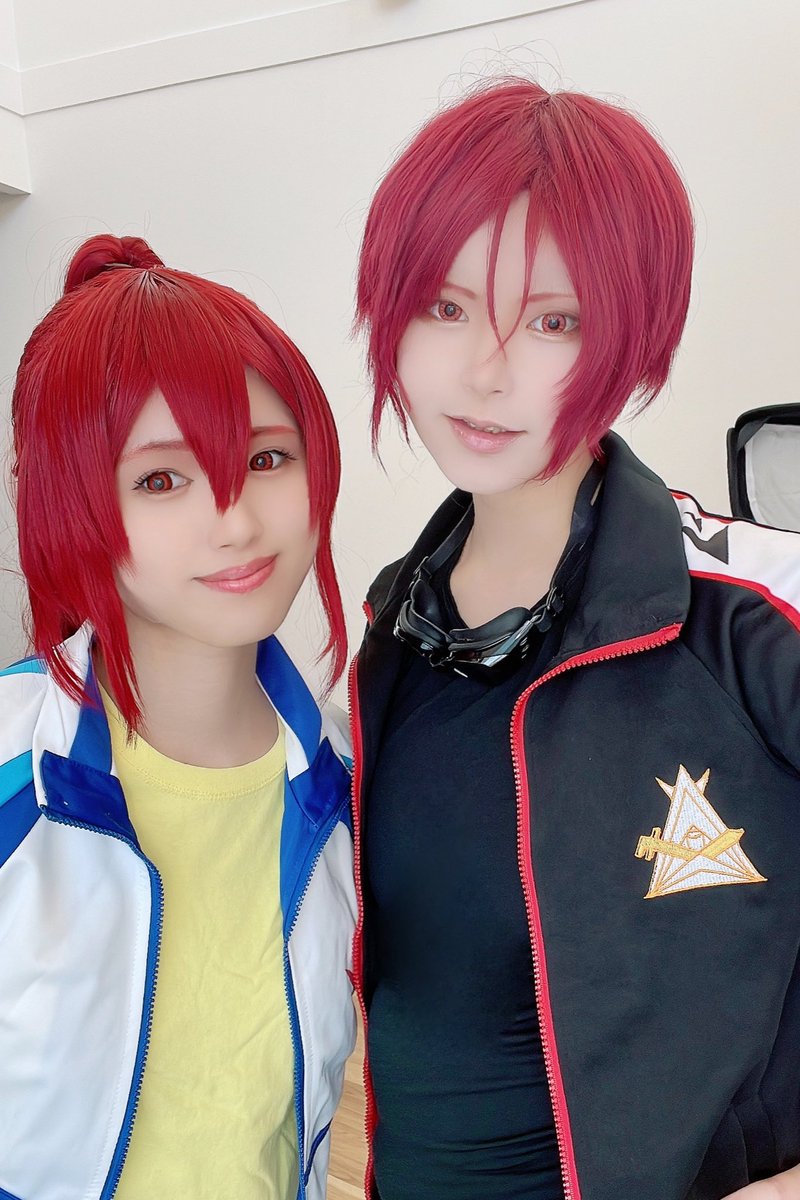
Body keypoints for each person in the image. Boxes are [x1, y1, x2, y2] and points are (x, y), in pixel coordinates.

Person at [350, 79, 800, 1200]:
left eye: (554, 322)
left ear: (633, 335)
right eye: (445, 306)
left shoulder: (748, 614)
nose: (486, 370)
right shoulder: (389, 637)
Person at [0, 235, 356, 1200]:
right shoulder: (13, 770)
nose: (235, 520)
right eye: (161, 479)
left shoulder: (348, 778)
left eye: (267, 458)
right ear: (70, 501)